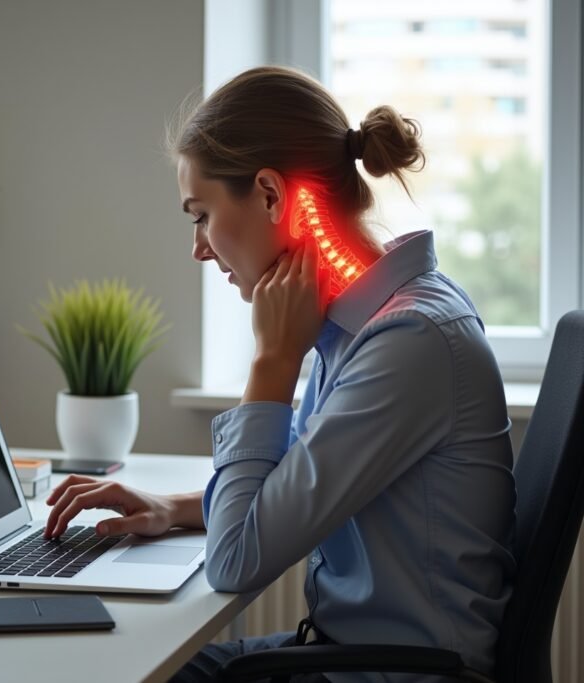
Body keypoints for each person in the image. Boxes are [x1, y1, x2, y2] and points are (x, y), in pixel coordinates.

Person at [44, 66, 516, 682]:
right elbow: (289, 490)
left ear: (270, 195)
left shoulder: (408, 343)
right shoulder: (364, 324)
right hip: (349, 659)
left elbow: (236, 561)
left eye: (201, 214)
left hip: (392, 674)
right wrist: (172, 507)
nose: (199, 248)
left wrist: (273, 361)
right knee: (112, 662)